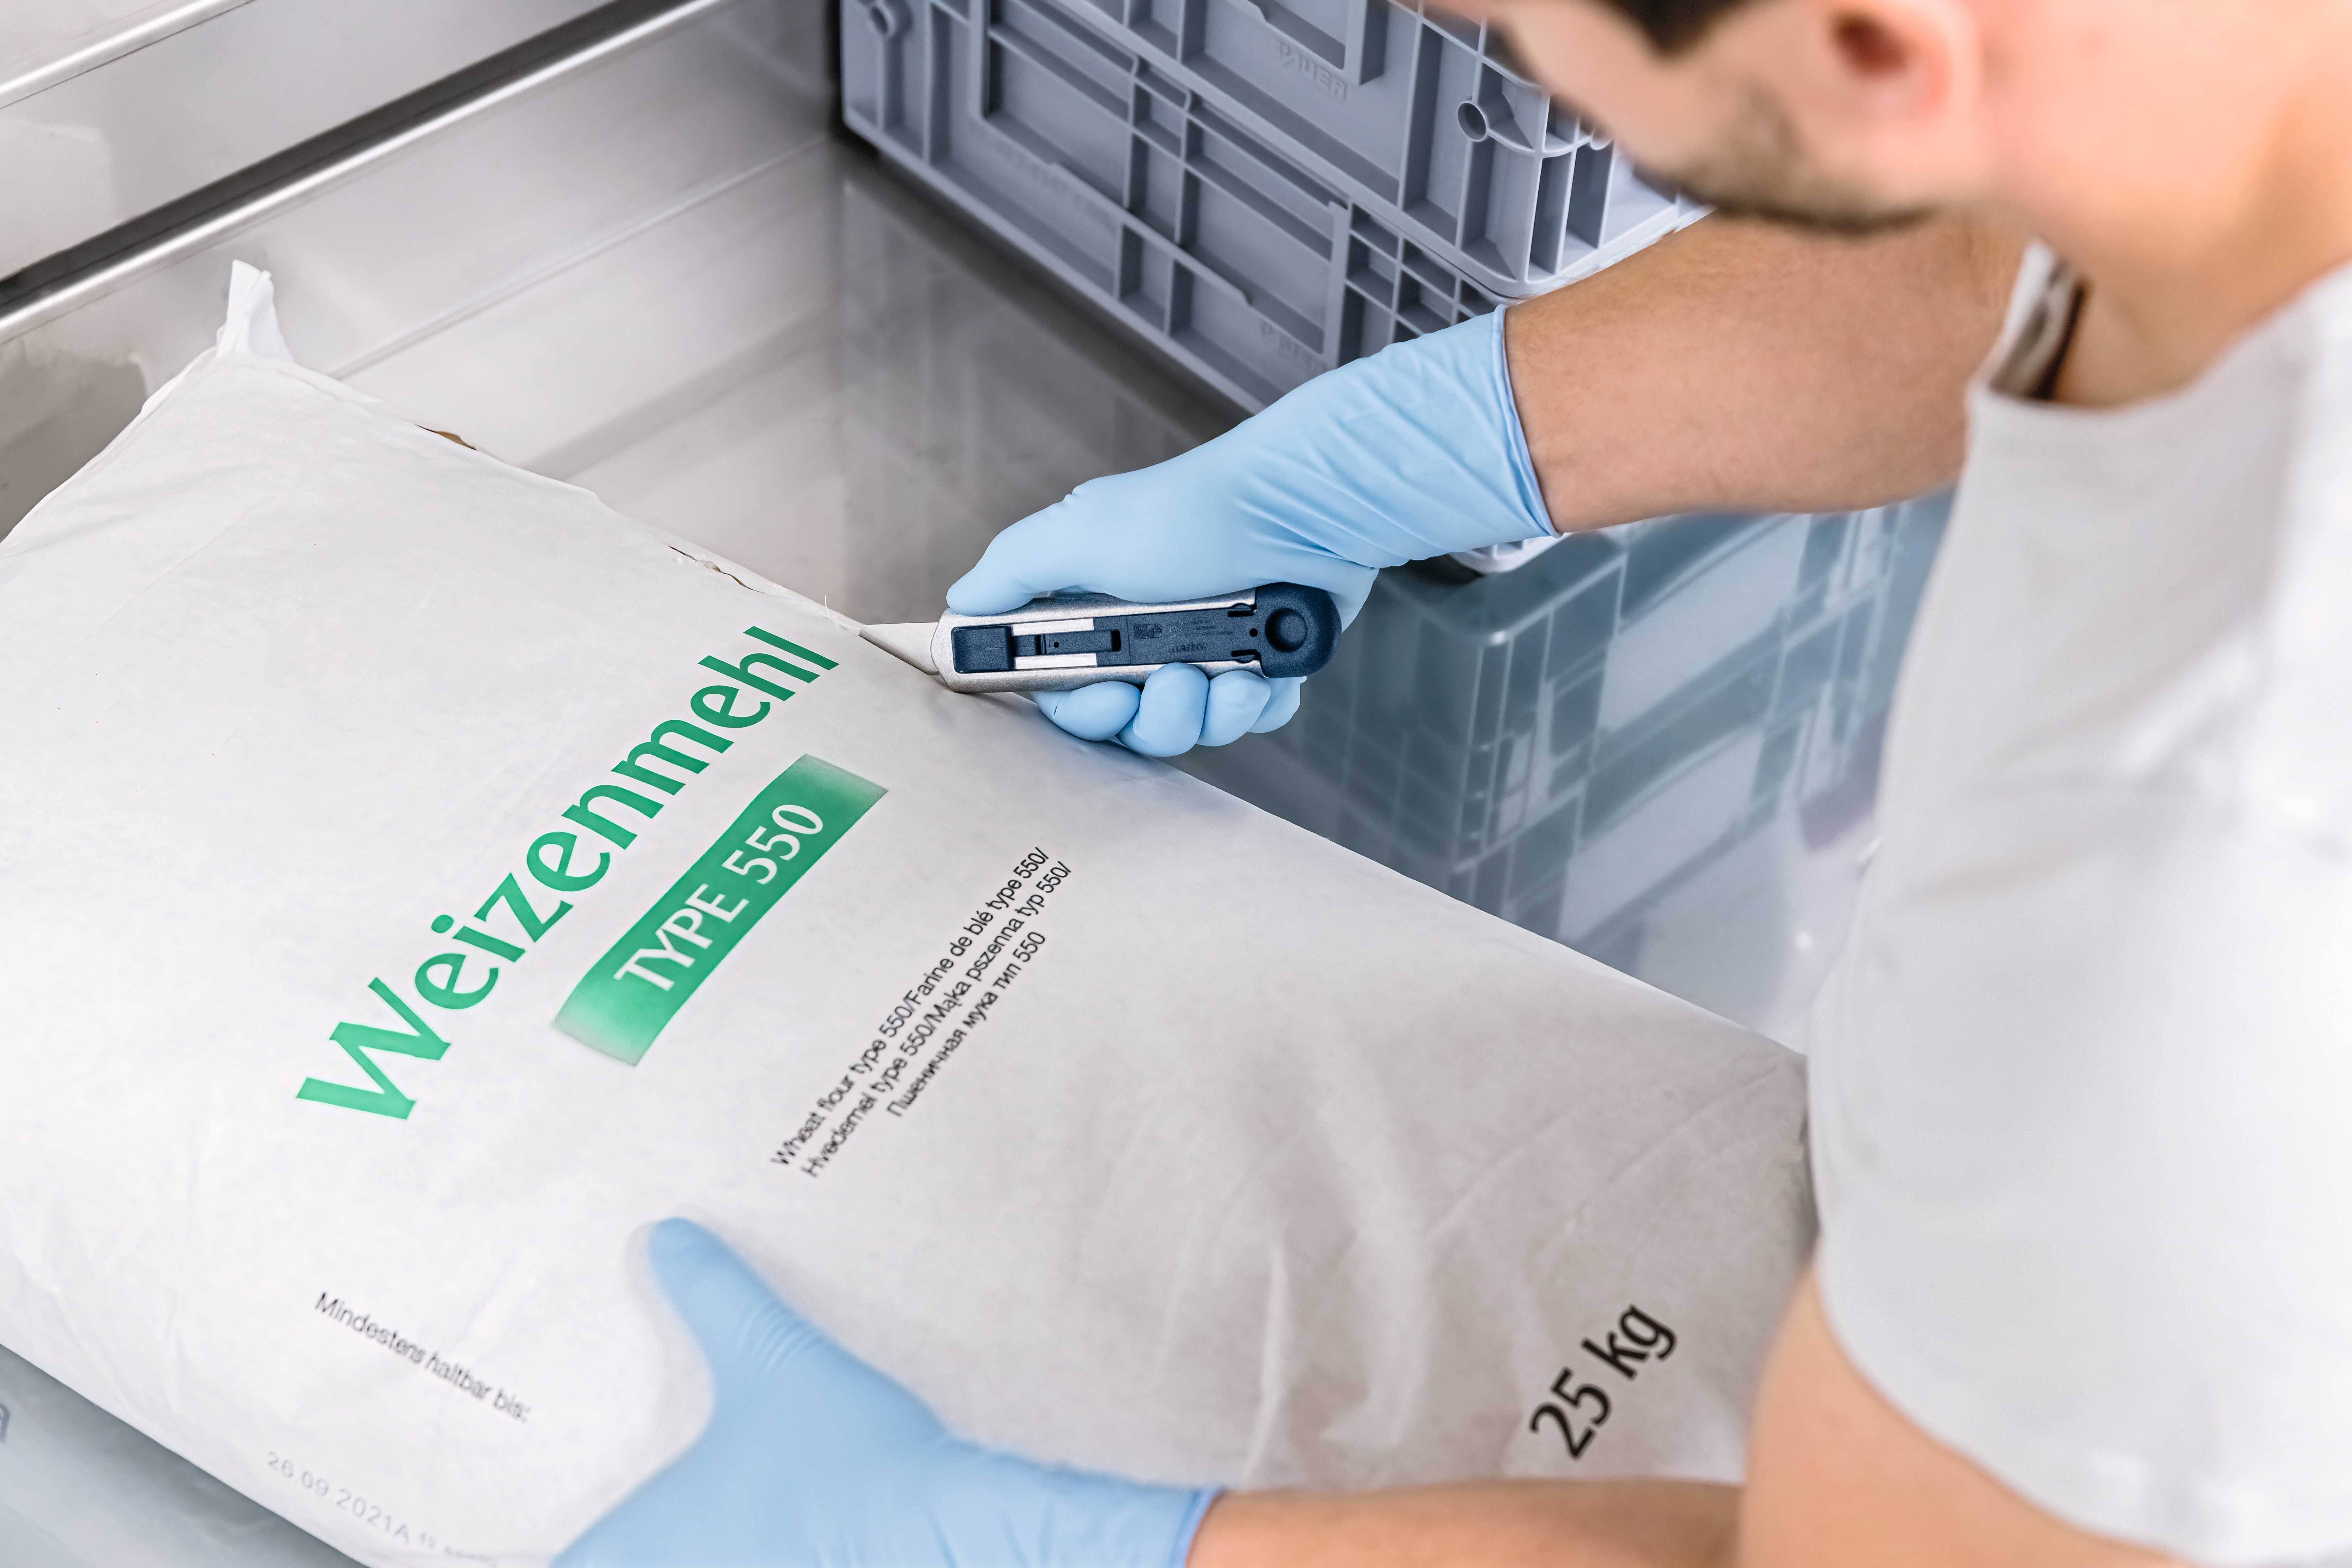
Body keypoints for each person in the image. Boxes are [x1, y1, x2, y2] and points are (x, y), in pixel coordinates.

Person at [560, 0, 2352, 1562]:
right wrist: (1395, 462)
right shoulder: (2221, 85)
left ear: (1877, 51)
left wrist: (1052, 1550)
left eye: (1514, 34)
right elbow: (1997, 264)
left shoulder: (2198, 887)